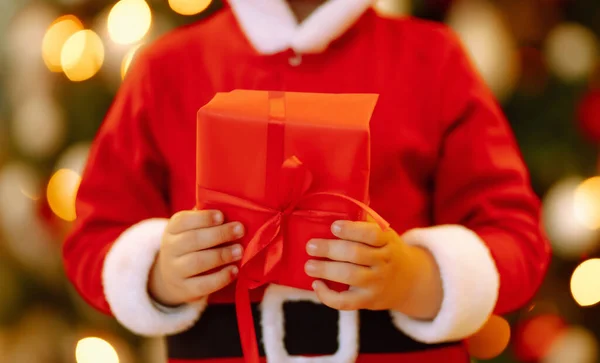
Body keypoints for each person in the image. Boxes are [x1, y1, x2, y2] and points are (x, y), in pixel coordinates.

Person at [63, 0, 552, 362]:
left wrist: (416, 278)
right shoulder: (166, 69)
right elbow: (93, 237)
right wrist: (158, 274)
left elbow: (516, 239)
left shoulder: (433, 59)